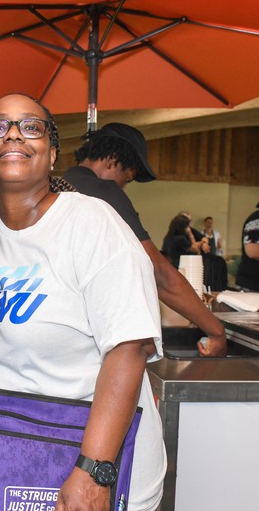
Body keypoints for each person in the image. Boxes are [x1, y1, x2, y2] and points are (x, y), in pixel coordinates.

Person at [0, 93, 166, 511]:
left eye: (31, 127)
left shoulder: (92, 223)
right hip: (19, 467)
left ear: (53, 153)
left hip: (97, 471)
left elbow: (129, 348)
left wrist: (94, 472)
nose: (13, 134)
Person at [63, 123, 227, 357]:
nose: (123, 189)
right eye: (127, 179)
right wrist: (216, 331)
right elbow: (157, 272)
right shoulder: (103, 192)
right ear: (111, 159)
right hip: (85, 343)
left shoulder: (57, 186)